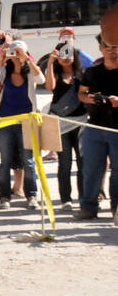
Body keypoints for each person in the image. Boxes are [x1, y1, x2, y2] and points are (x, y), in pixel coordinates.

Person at [0, 40, 45, 210]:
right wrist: (0, 63)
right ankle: (4, 197)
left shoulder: (29, 72)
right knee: (5, 160)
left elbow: (40, 79)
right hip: (5, 121)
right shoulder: (5, 71)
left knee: (28, 161)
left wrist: (27, 59)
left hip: (26, 122)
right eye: (15, 53)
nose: (17, 57)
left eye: (19, 53)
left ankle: (32, 196)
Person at [76, 5, 118, 222]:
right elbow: (81, 93)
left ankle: (116, 209)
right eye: (107, 46)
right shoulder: (92, 72)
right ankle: (88, 207)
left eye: (115, 46)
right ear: (100, 48)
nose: (111, 49)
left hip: (117, 129)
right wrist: (89, 98)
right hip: (95, 127)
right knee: (91, 169)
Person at [45, 41, 88, 209]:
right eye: (62, 54)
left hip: (81, 122)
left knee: (83, 162)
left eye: (69, 53)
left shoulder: (82, 74)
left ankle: (84, 197)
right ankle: (65, 199)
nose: (66, 58)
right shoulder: (55, 72)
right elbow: (49, 86)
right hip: (61, 124)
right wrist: (49, 62)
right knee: (64, 163)